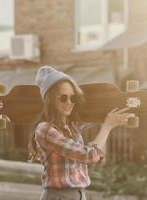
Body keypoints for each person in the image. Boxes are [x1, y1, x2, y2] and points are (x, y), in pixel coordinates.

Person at [29, 65, 131, 200]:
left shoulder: (71, 128)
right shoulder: (45, 130)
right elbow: (88, 156)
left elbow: (94, 149)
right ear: (50, 100)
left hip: (78, 195)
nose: (69, 102)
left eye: (73, 98)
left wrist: (109, 116)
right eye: (63, 98)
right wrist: (107, 126)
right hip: (60, 195)